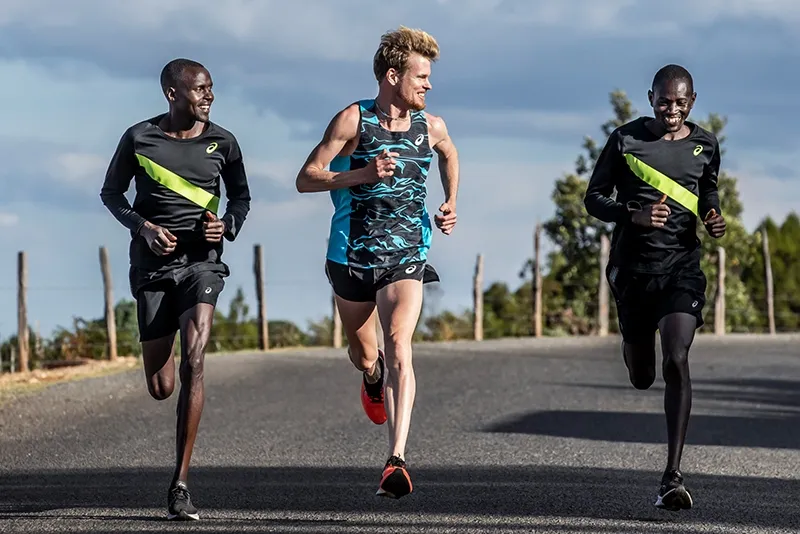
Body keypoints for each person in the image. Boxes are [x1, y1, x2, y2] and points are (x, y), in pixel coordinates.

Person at [296, 26, 459, 499]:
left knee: (399, 345)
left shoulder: (432, 127)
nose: (428, 85)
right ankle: (371, 376)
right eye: (421, 77)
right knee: (366, 353)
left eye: (429, 77)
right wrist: (363, 173)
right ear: (393, 75)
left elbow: (449, 154)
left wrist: (451, 202)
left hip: (406, 254)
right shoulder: (352, 121)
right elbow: (306, 179)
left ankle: (396, 460)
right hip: (351, 255)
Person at [100, 58, 251, 520]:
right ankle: (162, 362)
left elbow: (241, 198)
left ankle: (180, 484)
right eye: (200, 89)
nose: (208, 96)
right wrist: (143, 227)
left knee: (196, 358)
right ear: (172, 93)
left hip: (201, 266)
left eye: (211, 88)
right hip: (152, 269)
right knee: (162, 385)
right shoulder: (139, 137)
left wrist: (226, 226)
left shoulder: (223, 142)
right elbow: (111, 193)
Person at [584, 64, 726, 512]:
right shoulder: (625, 140)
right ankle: (631, 342)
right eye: (664, 101)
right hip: (633, 270)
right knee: (643, 375)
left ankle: (672, 476)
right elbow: (594, 197)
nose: (672, 109)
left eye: (680, 102)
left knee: (678, 358)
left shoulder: (705, 144)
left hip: (681, 269)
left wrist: (712, 215)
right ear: (651, 98)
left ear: (693, 101)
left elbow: (708, 190)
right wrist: (633, 213)